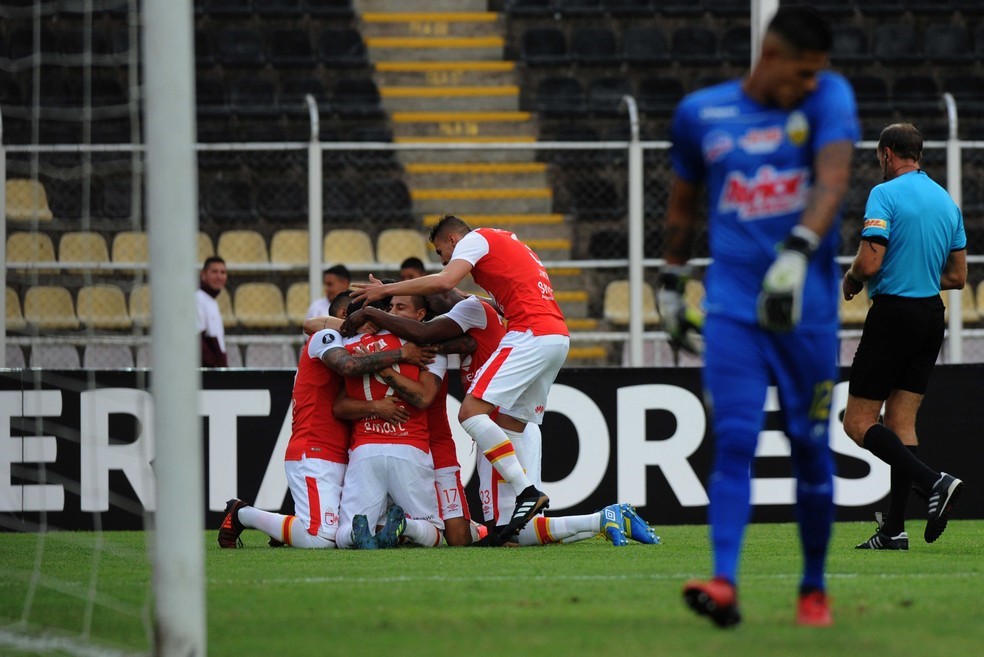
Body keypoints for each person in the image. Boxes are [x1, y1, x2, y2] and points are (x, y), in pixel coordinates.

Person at [659, 7, 859, 628]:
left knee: (808, 449)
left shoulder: (829, 96)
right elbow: (683, 204)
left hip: (809, 311)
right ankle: (724, 583)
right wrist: (670, 280)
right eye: (801, 73)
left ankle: (812, 588)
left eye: (815, 75)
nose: (809, 85)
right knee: (736, 439)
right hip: (733, 308)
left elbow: (831, 182)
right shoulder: (701, 114)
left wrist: (796, 253)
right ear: (769, 57)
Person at [343, 290, 662, 549]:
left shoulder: (473, 310)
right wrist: (385, 300)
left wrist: (376, 313)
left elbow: (426, 335)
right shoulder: (472, 326)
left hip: (499, 430)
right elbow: (442, 339)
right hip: (508, 430)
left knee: (514, 533)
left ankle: (601, 519)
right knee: (517, 529)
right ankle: (605, 518)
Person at [350, 215, 570, 544]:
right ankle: (522, 517)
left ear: (453, 240)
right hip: (557, 336)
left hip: (530, 333)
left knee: (469, 413)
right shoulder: (506, 244)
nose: (443, 260)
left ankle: (527, 492)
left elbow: (442, 283)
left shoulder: (475, 240)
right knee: (511, 425)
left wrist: (386, 291)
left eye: (441, 252)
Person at [217, 293, 436, 549]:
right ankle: (242, 513)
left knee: (346, 529)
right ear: (345, 317)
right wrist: (401, 354)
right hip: (315, 447)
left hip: (346, 451)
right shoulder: (325, 338)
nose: (374, 323)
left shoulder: (360, 342)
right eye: (367, 316)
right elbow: (348, 366)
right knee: (321, 538)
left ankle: (284, 530)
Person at [841, 123, 966, 551]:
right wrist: (920, 268)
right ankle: (894, 529)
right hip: (932, 316)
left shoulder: (885, 195)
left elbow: (870, 262)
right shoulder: (947, 203)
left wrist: (852, 279)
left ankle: (935, 480)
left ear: (887, 154)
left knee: (857, 424)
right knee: (900, 424)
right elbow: (958, 276)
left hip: (894, 313)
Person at [333, 294, 448, 549]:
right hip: (410, 446)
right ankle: (405, 526)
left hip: (365, 449)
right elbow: (422, 398)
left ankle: (356, 534)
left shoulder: (353, 346)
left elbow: (340, 405)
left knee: (344, 531)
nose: (393, 313)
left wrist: (378, 369)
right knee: (434, 532)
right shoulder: (424, 347)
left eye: (400, 307)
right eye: (390, 307)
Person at [197, 256, 228, 367]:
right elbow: (197, 338)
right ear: (203, 275)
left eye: (223, 272)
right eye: (214, 272)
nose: (219, 276)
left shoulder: (210, 301)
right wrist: (215, 365)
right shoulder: (198, 299)